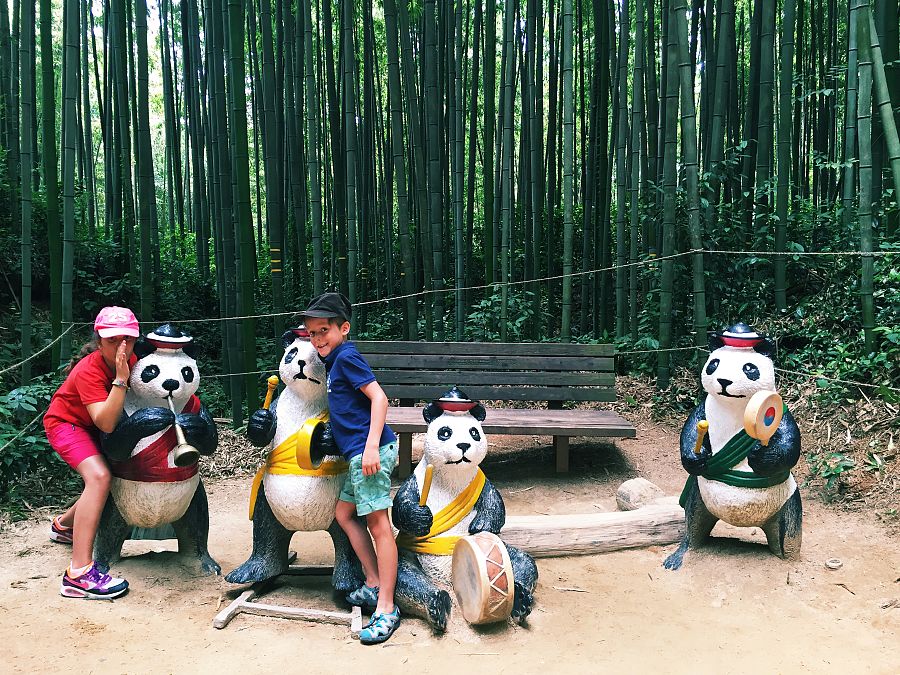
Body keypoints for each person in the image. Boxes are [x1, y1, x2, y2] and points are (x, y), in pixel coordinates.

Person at [299, 292, 401, 645]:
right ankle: (373, 582)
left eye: (324, 330)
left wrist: (371, 447)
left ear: (343, 328)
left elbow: (380, 398)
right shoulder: (334, 360)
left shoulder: (347, 357)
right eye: (312, 333)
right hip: (357, 455)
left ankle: (387, 607)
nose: (317, 339)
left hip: (368, 453)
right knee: (344, 514)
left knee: (379, 525)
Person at [43, 306, 140, 599]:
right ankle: (78, 574)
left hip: (93, 427)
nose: (122, 347)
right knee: (99, 477)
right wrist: (121, 378)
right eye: (113, 341)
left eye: (128, 339)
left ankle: (63, 526)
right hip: (66, 424)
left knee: (114, 476)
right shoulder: (89, 369)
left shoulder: (134, 359)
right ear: (99, 341)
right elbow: (106, 420)